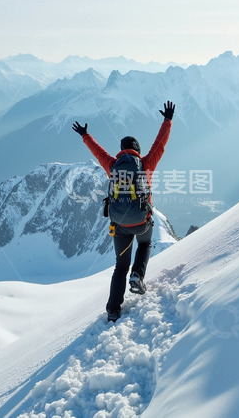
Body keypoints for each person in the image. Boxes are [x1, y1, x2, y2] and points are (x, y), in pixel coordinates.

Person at [72, 101, 175, 322]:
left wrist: (85, 135)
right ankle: (138, 274)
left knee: (120, 266)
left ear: (121, 151)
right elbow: (160, 145)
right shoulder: (146, 164)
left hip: (119, 224)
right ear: (137, 150)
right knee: (145, 244)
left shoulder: (113, 165)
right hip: (142, 221)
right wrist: (167, 120)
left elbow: (98, 152)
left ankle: (113, 310)